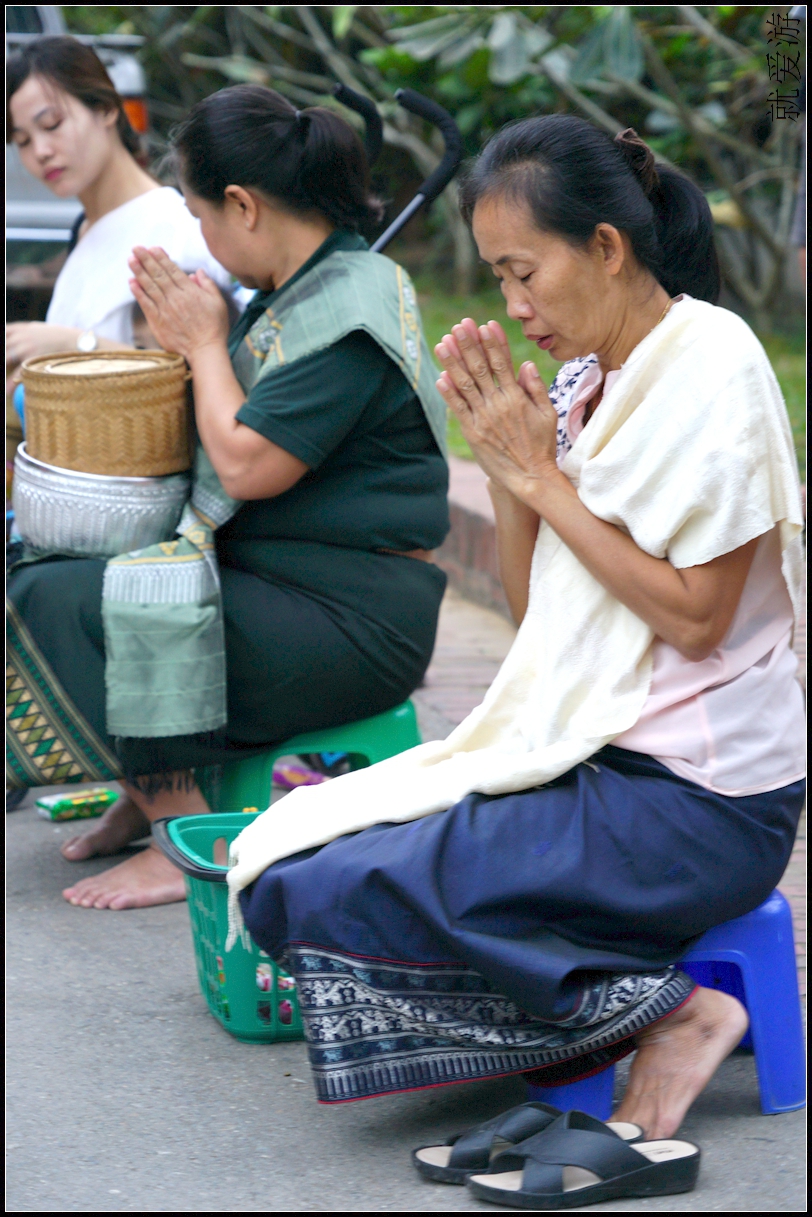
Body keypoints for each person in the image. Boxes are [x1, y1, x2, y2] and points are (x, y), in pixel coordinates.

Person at [231, 116, 805, 1148]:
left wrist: (541, 474)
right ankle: (598, 1011)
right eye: (496, 278)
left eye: (521, 271)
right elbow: (543, 617)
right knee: (289, 869)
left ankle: (676, 1013)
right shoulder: (592, 380)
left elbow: (692, 613)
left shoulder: (710, 363)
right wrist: (508, 474)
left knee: (334, 885)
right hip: (592, 754)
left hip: (700, 806)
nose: (513, 306)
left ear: (606, 246)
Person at [6, 85, 449, 910]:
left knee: (72, 596)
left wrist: (205, 341)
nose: (202, 240)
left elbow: (246, 465)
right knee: (46, 559)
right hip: (298, 590)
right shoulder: (314, 283)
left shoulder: (344, 311)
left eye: (203, 217)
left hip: (350, 622)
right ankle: (146, 789)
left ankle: (182, 833)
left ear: (243, 206)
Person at [5, 35, 233, 387]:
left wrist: (76, 346)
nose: (41, 150)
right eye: (22, 141)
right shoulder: (84, 231)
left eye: (51, 124)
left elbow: (195, 379)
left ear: (107, 109)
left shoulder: (177, 227)